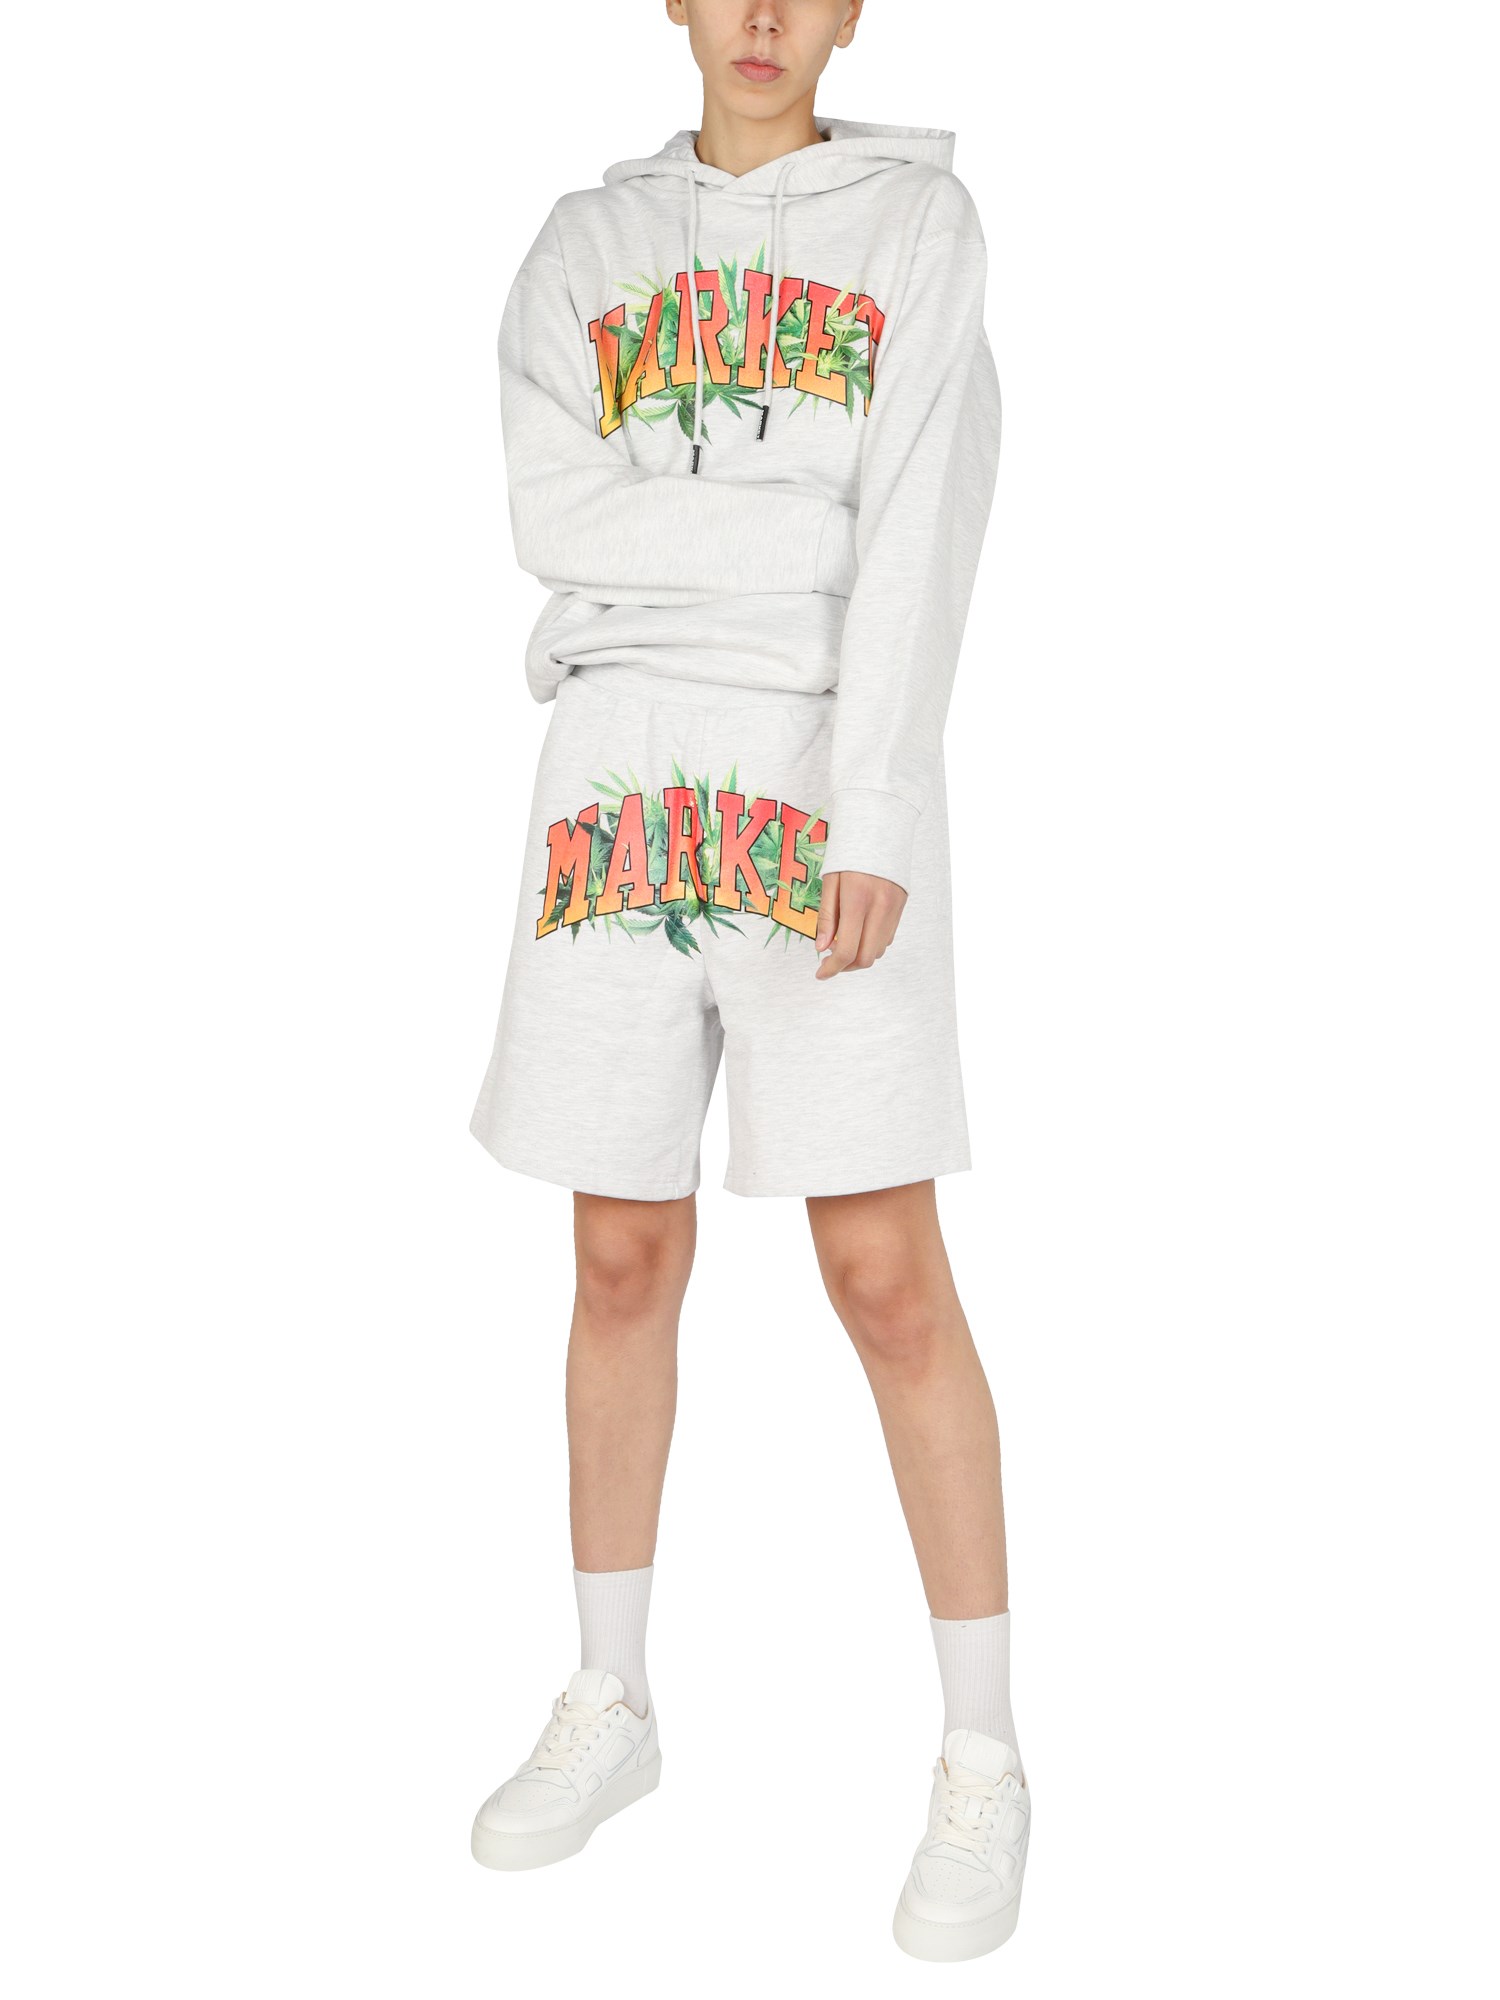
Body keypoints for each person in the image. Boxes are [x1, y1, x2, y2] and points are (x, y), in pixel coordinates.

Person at [466, 0, 1025, 1961]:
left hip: (826, 781)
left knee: (883, 1270)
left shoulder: (918, 232)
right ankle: (611, 1696)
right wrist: (801, 532)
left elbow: (920, 527)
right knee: (619, 1256)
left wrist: (874, 805)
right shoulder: (585, 247)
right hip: (616, 771)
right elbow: (549, 514)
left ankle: (982, 1750)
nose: (764, 15)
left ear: (854, 9)